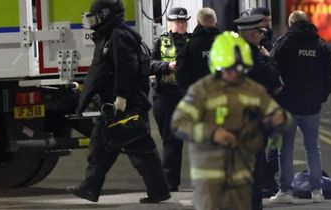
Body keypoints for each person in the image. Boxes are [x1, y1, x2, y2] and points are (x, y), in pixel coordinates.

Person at [171, 31, 290, 210]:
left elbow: (279, 117)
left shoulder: (253, 90)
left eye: (240, 68)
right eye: (229, 69)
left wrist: (275, 120)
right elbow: (179, 123)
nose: (235, 75)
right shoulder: (201, 91)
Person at [67, 0, 170, 203]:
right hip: (117, 106)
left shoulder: (118, 36)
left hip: (124, 106)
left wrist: (121, 97)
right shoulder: (115, 34)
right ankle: (89, 187)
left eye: (97, 18)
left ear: (107, 15)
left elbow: (127, 68)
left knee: (139, 150)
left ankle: (159, 191)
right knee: (101, 146)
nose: (94, 22)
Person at [269, 10, 331, 203]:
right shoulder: (320, 44)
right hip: (312, 105)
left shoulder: (284, 43)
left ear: (290, 24)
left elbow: (272, 69)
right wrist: (321, 97)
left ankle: (285, 191)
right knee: (313, 147)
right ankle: (317, 191)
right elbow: (330, 75)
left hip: (288, 105)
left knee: (285, 149)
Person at [234, 14, 283, 210]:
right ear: (253, 34)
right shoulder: (254, 55)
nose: (262, 36)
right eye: (260, 33)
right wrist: (269, 59)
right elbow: (271, 77)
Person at [150, 7, 191, 192]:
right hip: (166, 96)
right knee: (171, 141)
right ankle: (170, 182)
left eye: (184, 22)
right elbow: (149, 64)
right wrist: (167, 66)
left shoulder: (193, 41)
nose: (181, 25)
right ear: (170, 23)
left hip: (187, 96)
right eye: (178, 22)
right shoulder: (162, 41)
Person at [176, 7, 221, 93]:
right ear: (215, 21)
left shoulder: (190, 45)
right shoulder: (225, 43)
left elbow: (181, 73)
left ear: (198, 22)